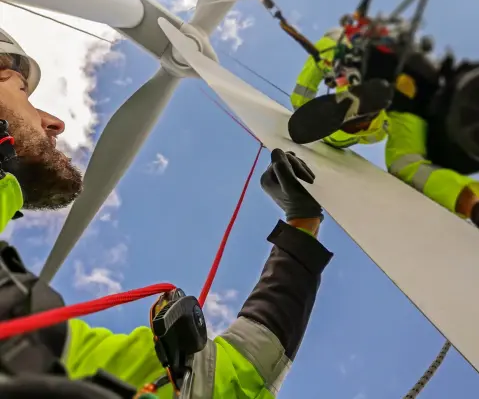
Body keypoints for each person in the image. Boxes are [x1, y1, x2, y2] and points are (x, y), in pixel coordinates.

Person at [0, 28, 333, 398]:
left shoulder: (34, 338)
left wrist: (301, 225)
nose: (54, 123)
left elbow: (224, 381)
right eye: (22, 92)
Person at [288, 20, 479, 227]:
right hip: (414, 93)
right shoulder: (390, 37)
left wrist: (300, 106)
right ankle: (471, 202)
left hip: (374, 78)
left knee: (387, 155)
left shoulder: (331, 44)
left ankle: (362, 119)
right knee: (408, 162)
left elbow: (306, 83)